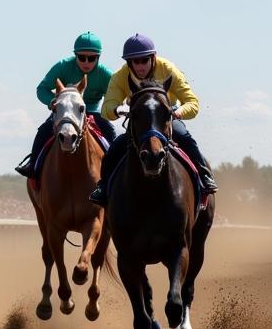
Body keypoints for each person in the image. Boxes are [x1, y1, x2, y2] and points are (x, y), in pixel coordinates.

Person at [89, 33, 218, 205]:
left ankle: (204, 176)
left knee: (184, 136)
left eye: (144, 60)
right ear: (129, 63)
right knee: (116, 148)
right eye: (136, 62)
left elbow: (192, 103)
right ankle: (103, 187)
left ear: (153, 57)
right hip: (140, 121)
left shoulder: (169, 69)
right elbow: (106, 109)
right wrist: (118, 109)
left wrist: (179, 112)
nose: (140, 66)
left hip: (166, 118)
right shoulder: (120, 76)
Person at [15, 31, 115, 177]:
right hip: (64, 111)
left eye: (92, 58)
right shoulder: (62, 66)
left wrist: (112, 107)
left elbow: (113, 96)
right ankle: (33, 165)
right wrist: (53, 102)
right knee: (43, 131)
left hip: (92, 111)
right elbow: (41, 89)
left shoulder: (105, 74)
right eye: (82, 57)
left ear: (98, 57)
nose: (86, 62)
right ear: (75, 55)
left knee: (111, 133)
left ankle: (115, 169)